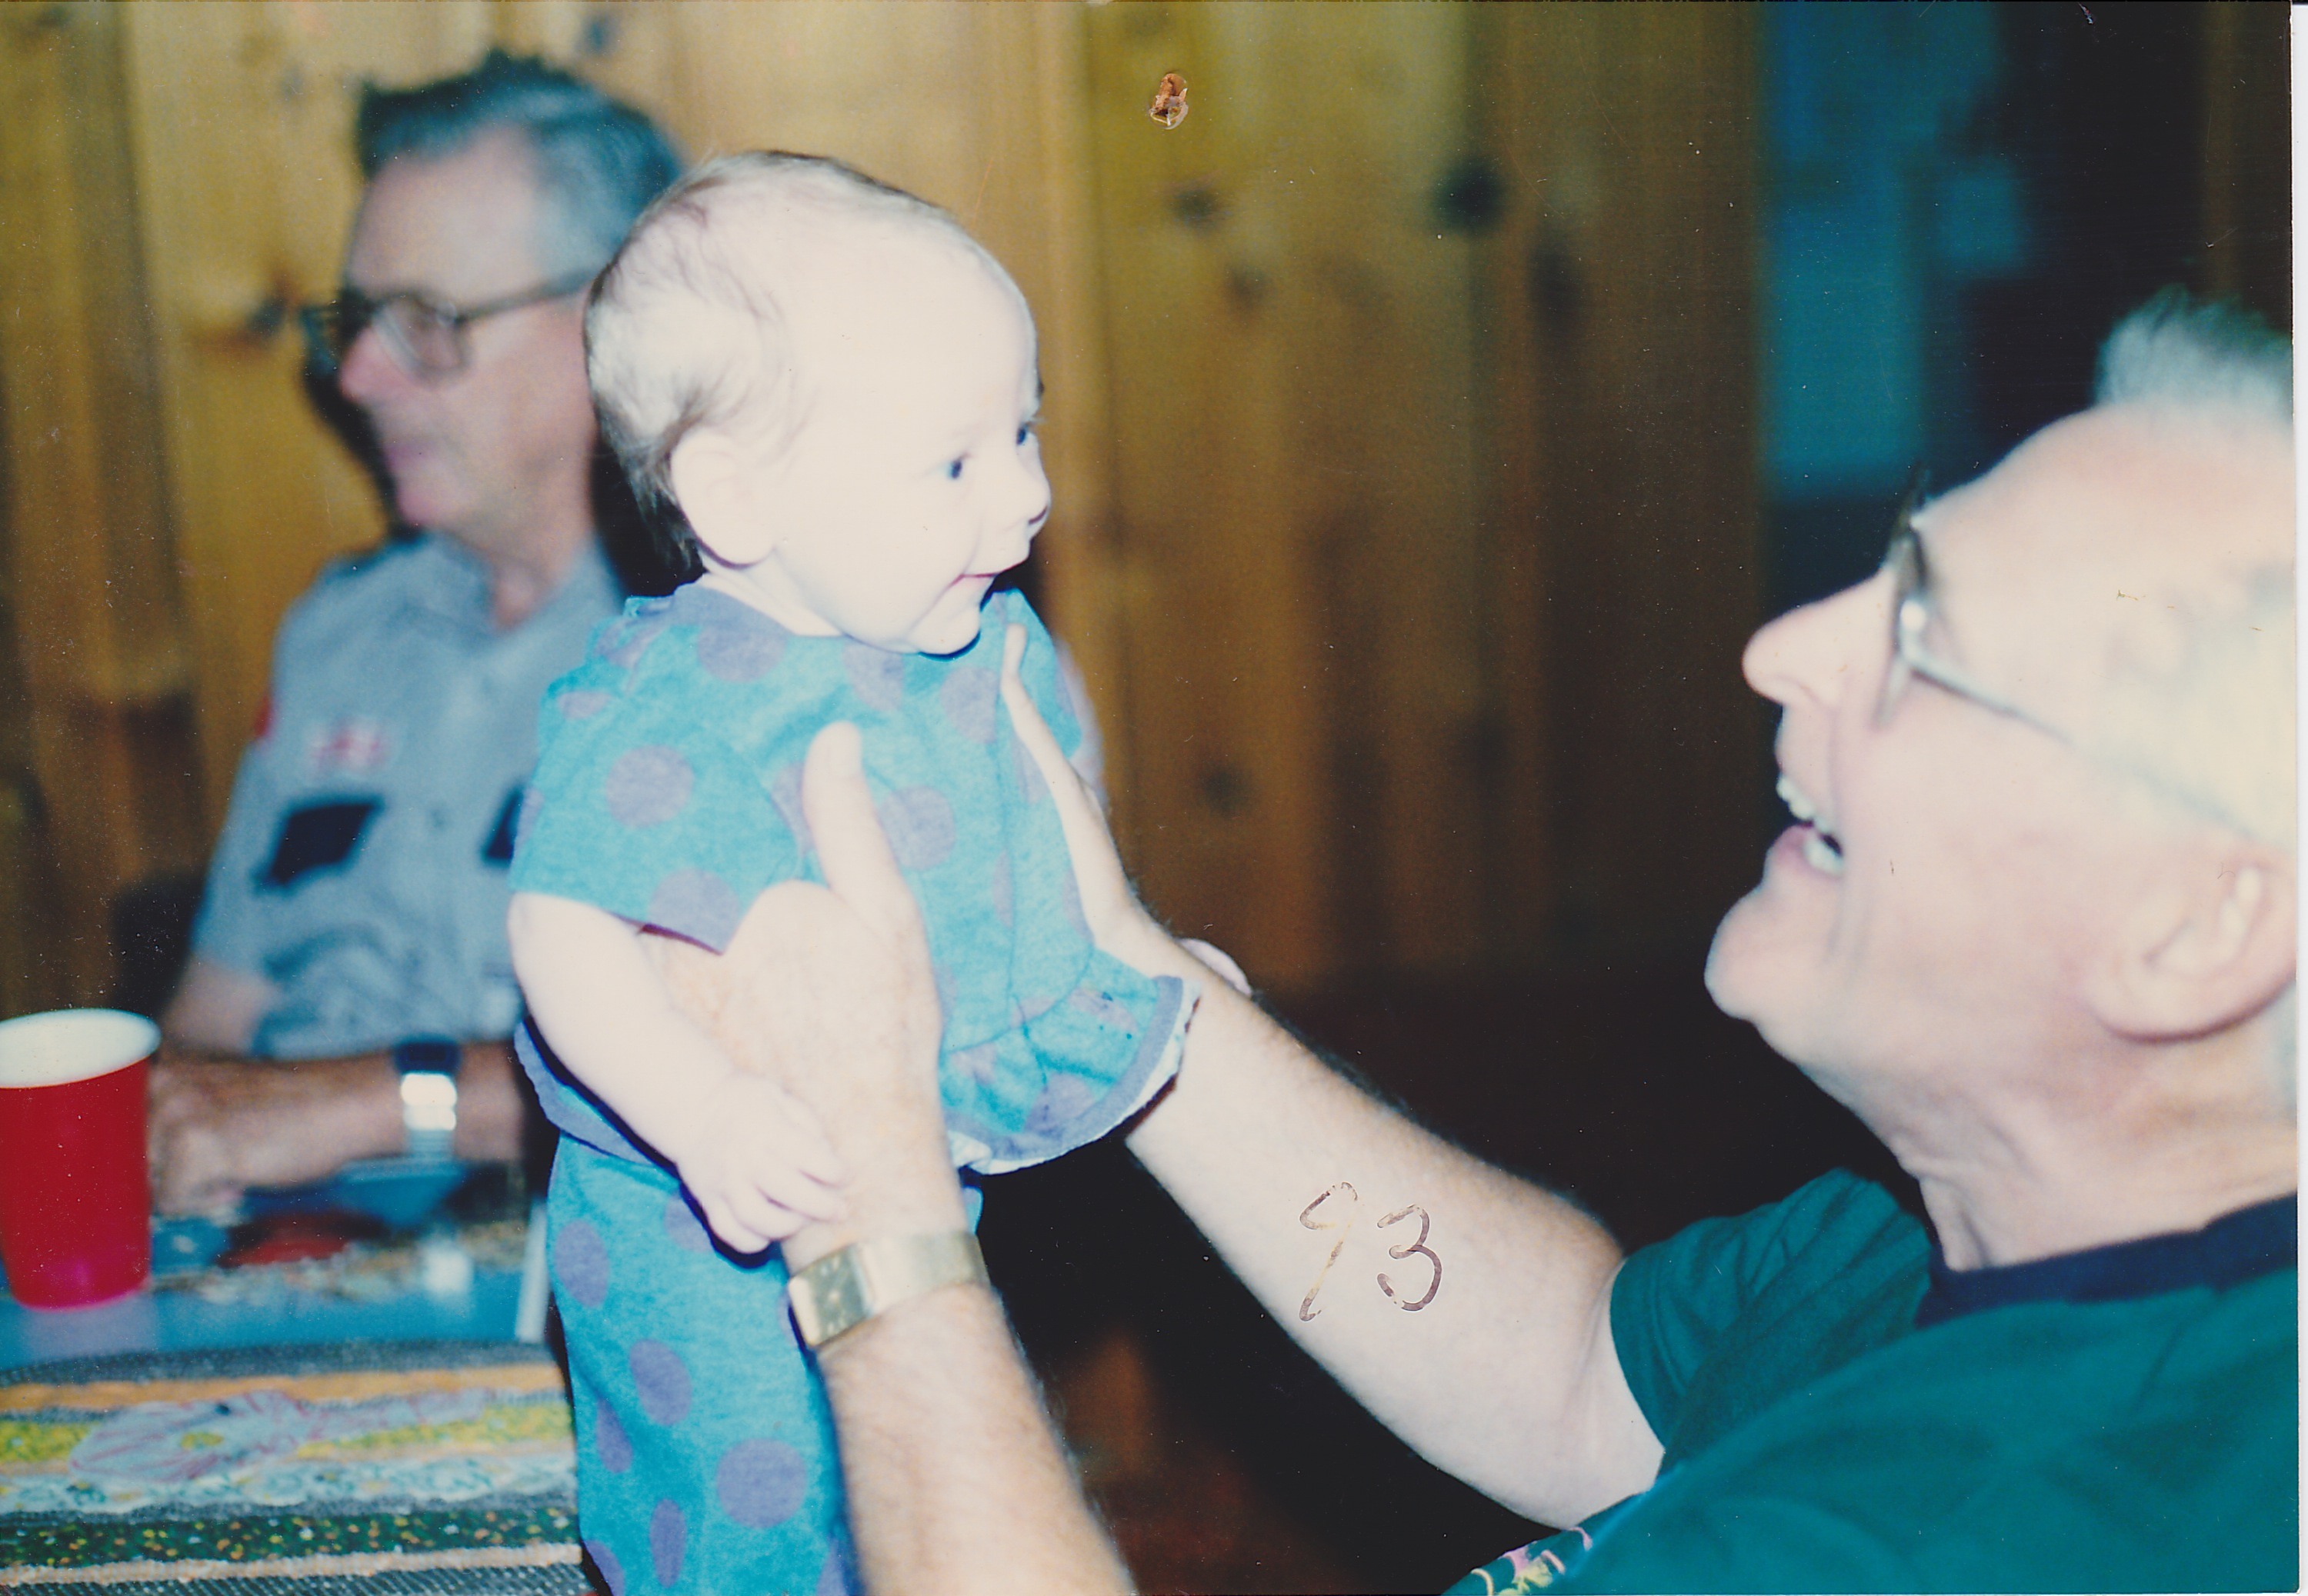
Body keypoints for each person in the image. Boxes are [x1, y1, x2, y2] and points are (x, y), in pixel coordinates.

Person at [655, 290, 2297, 1593]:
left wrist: (871, 1197)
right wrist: (1120, 979)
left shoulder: (1957, 1545)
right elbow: (1585, 1378)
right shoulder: (1955, 1240)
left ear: (2192, 930)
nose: (1787, 642)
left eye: (1928, 634)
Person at [504, 152, 1192, 1596]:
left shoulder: (978, 639)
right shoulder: (670, 705)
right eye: (956, 463)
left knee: (920, 1463)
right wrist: (701, 1110)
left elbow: (1047, 838)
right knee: (756, 1508)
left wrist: (1135, 964)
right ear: (737, 497)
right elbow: (562, 927)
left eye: (1024, 429)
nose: (1028, 496)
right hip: (702, 1229)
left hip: (918, 1163)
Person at [148, 54, 682, 1214]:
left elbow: (733, 1069)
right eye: (355, 324)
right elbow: (206, 1032)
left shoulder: (706, 655)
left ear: (609, 322)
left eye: (426, 323)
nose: (359, 376)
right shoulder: (340, 636)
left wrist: (366, 1106)